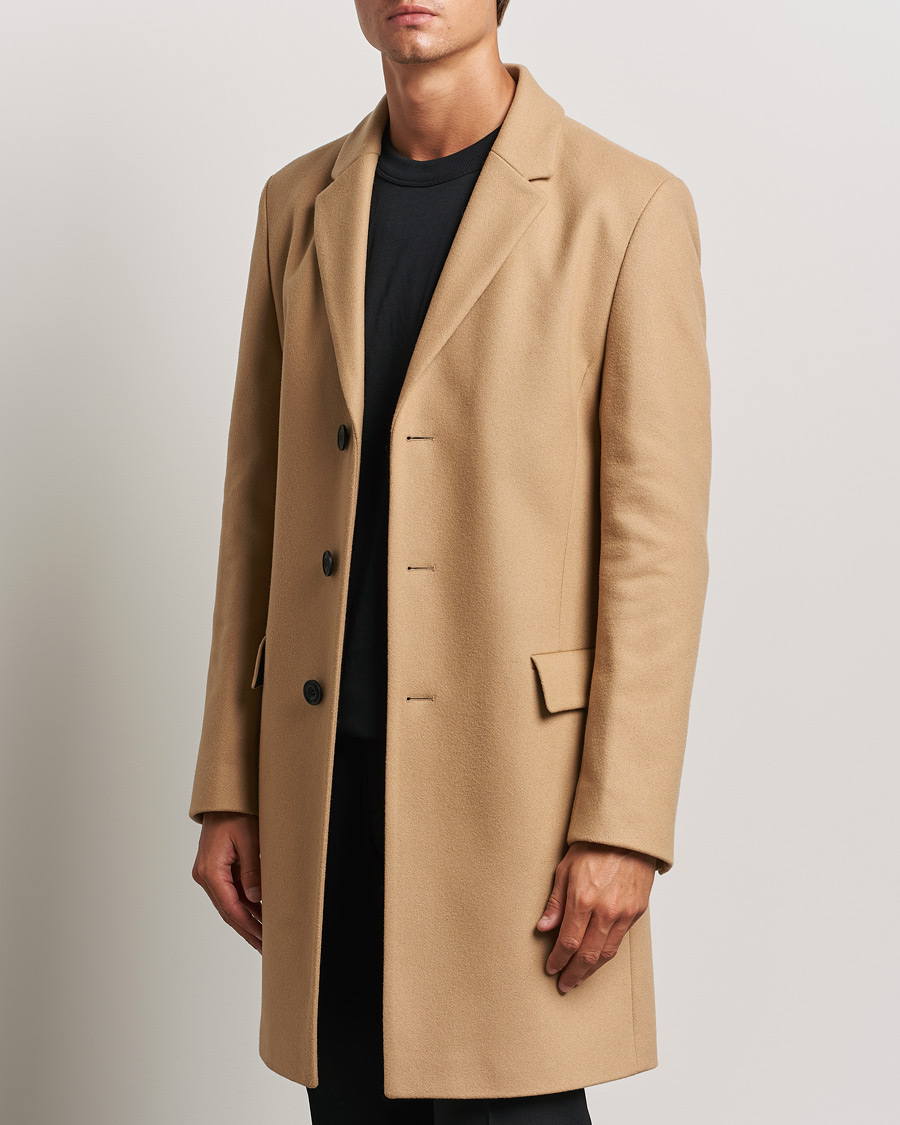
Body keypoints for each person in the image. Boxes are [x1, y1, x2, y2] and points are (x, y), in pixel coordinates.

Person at [189, 2, 712, 1122]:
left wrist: (623, 824)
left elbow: (656, 550)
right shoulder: (296, 205)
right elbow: (255, 510)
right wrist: (229, 782)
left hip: (517, 796)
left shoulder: (625, 208)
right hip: (326, 788)